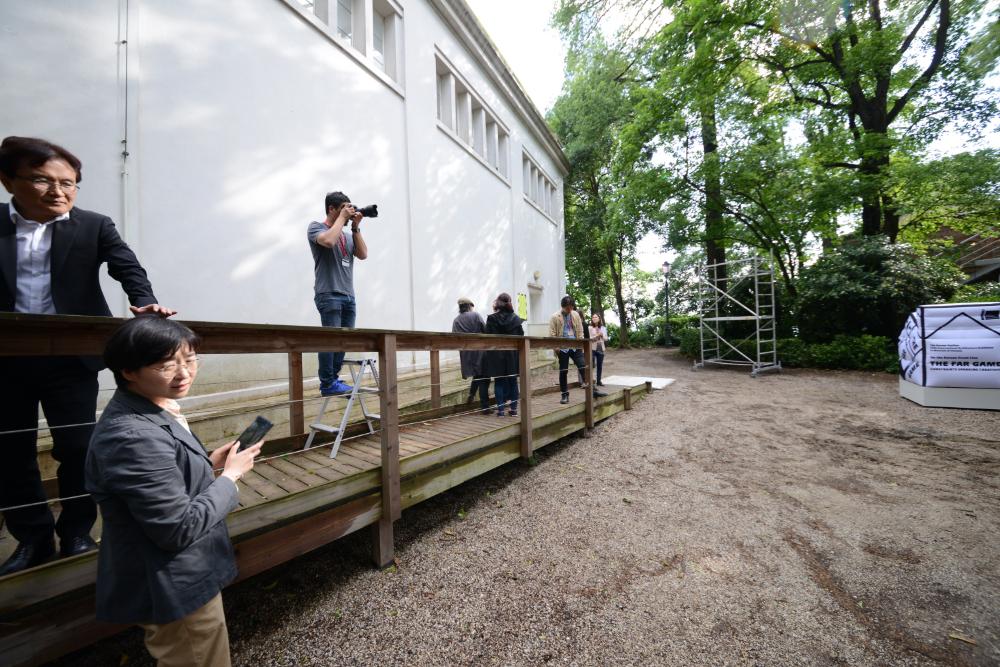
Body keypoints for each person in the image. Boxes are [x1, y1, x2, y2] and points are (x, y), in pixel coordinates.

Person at [0, 136, 175, 576]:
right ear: (8, 182)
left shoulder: (94, 225)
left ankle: (78, 531)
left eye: (70, 183)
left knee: (78, 446)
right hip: (6, 358)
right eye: (43, 181)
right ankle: (33, 539)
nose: (59, 191)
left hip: (70, 356)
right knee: (9, 452)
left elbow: (127, 267)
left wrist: (145, 302)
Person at [86, 316, 261, 667]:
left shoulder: (152, 405)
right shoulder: (131, 435)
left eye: (190, 359)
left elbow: (167, 479)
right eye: (167, 365)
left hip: (180, 574)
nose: (184, 373)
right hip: (171, 580)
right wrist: (229, 477)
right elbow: (177, 528)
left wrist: (209, 464)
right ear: (128, 371)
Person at [307, 191, 368, 396]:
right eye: (343, 208)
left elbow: (363, 254)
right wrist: (342, 219)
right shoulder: (316, 227)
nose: (348, 211)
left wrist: (355, 227)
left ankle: (333, 379)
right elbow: (328, 242)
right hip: (329, 293)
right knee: (330, 340)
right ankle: (327, 383)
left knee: (344, 341)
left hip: (348, 295)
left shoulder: (348, 236)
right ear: (331, 209)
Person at [549, 296, 607, 404]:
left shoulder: (575, 314)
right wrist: (557, 349)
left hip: (575, 346)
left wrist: (580, 343)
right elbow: (552, 334)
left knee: (584, 367)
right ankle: (564, 395)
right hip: (562, 348)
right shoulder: (555, 317)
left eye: (571, 308)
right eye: (568, 308)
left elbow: (580, 330)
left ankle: (593, 391)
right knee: (563, 371)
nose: (570, 310)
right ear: (563, 307)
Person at [484, 293, 524, 417]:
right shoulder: (516, 319)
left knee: (499, 382)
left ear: (498, 302)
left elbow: (487, 337)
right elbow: (521, 336)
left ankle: (501, 411)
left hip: (497, 355)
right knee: (513, 381)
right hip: (512, 355)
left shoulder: (491, 318)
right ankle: (514, 409)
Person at [451, 297, 489, 413]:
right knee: (483, 378)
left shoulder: (456, 320)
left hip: (466, 354)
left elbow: (454, 337)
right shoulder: (476, 316)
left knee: (477, 374)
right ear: (469, 306)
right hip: (480, 352)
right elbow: (486, 330)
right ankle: (485, 407)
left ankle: (471, 394)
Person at [589, 313, 609, 386]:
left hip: (600, 347)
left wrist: (602, 335)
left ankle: (598, 381)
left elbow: (606, 339)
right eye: (593, 317)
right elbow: (589, 339)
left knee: (599, 365)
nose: (594, 318)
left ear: (599, 318)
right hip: (592, 348)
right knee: (592, 365)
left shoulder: (603, 328)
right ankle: (591, 381)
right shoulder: (590, 328)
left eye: (596, 317)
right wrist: (597, 335)